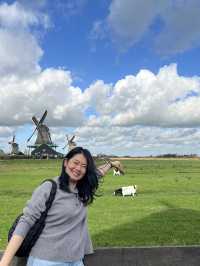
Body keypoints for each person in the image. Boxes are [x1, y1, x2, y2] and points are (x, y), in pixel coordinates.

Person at [0, 147, 124, 266]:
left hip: (76, 261)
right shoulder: (49, 188)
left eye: (83, 166)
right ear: (65, 162)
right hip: (46, 261)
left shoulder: (82, 189)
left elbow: (97, 174)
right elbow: (26, 222)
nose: (78, 168)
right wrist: (4, 263)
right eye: (75, 163)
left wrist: (111, 164)